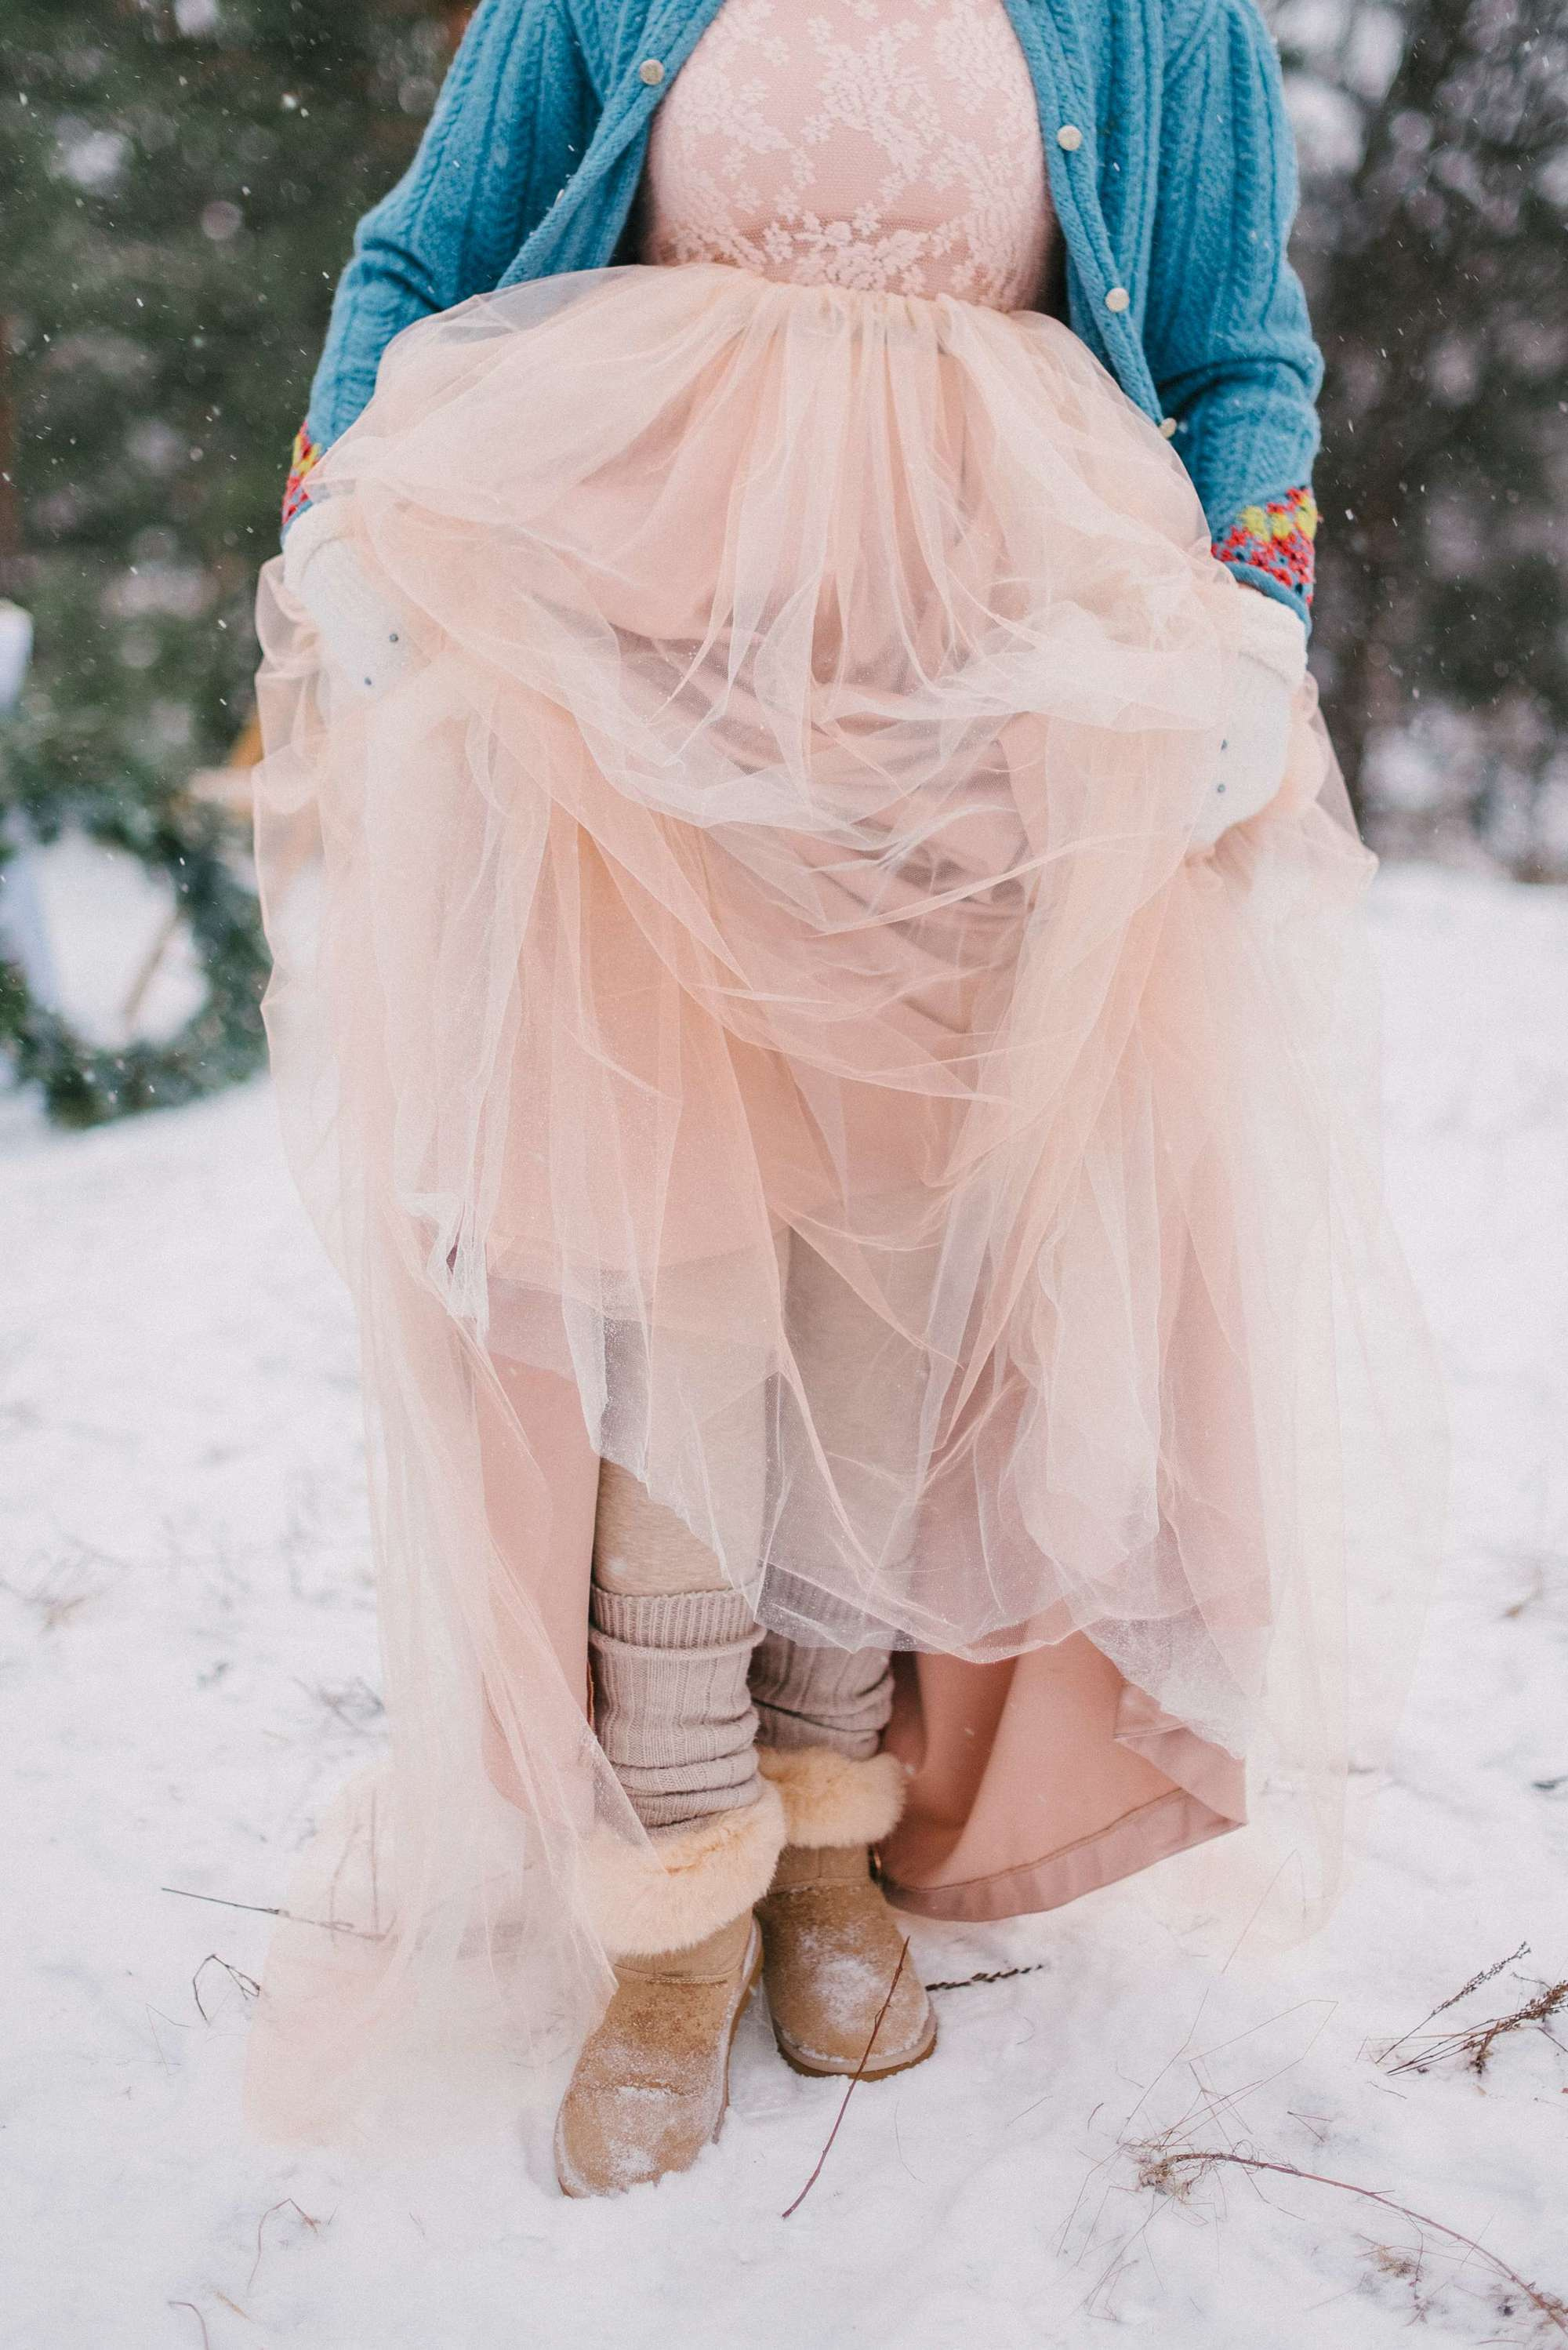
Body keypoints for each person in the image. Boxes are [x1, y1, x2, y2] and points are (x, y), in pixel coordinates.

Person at [249, 0, 1443, 2195]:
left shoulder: (1160, 17)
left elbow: (1232, 337)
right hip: (653, 684)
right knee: (676, 1272)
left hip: (987, 699)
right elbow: (427, 258)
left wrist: (1248, 623)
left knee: (892, 1291)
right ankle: (677, 1909)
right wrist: (349, 521)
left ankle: (833, 1845)